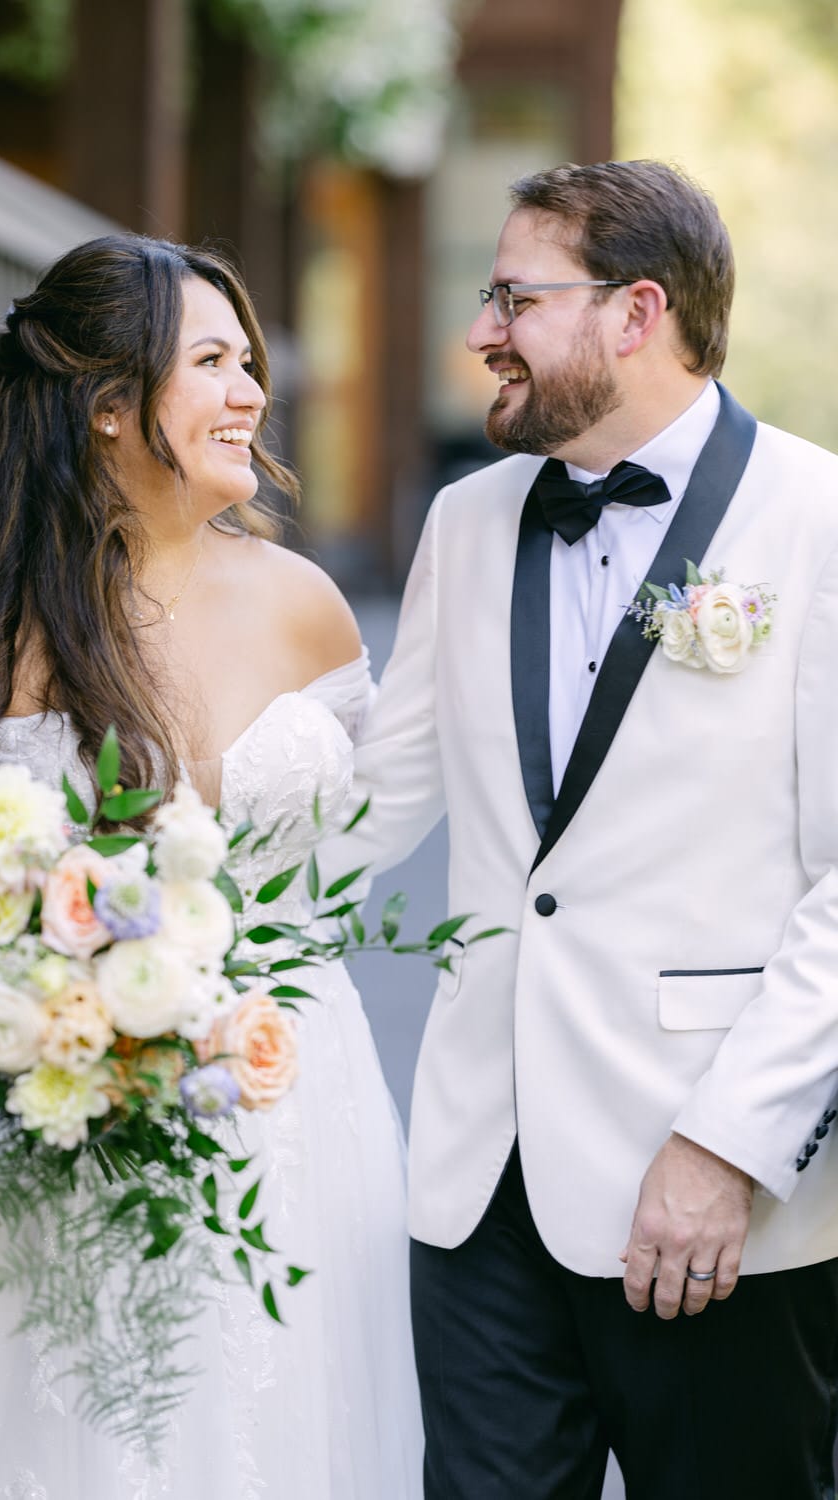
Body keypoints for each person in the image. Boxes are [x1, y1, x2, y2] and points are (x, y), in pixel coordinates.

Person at [0, 234, 424, 1498]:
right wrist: (43, 1028)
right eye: (211, 361)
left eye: (248, 361)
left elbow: (353, 846)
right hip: (44, 1168)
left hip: (293, 1118)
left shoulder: (307, 606)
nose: (252, 391)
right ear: (108, 407)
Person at [327, 160, 838, 1498]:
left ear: (637, 313)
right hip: (477, 1180)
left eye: (515, 296)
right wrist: (123, 896)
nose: (482, 331)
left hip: (714, 1191)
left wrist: (729, 1145)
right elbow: (376, 801)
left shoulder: (821, 521)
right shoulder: (468, 518)